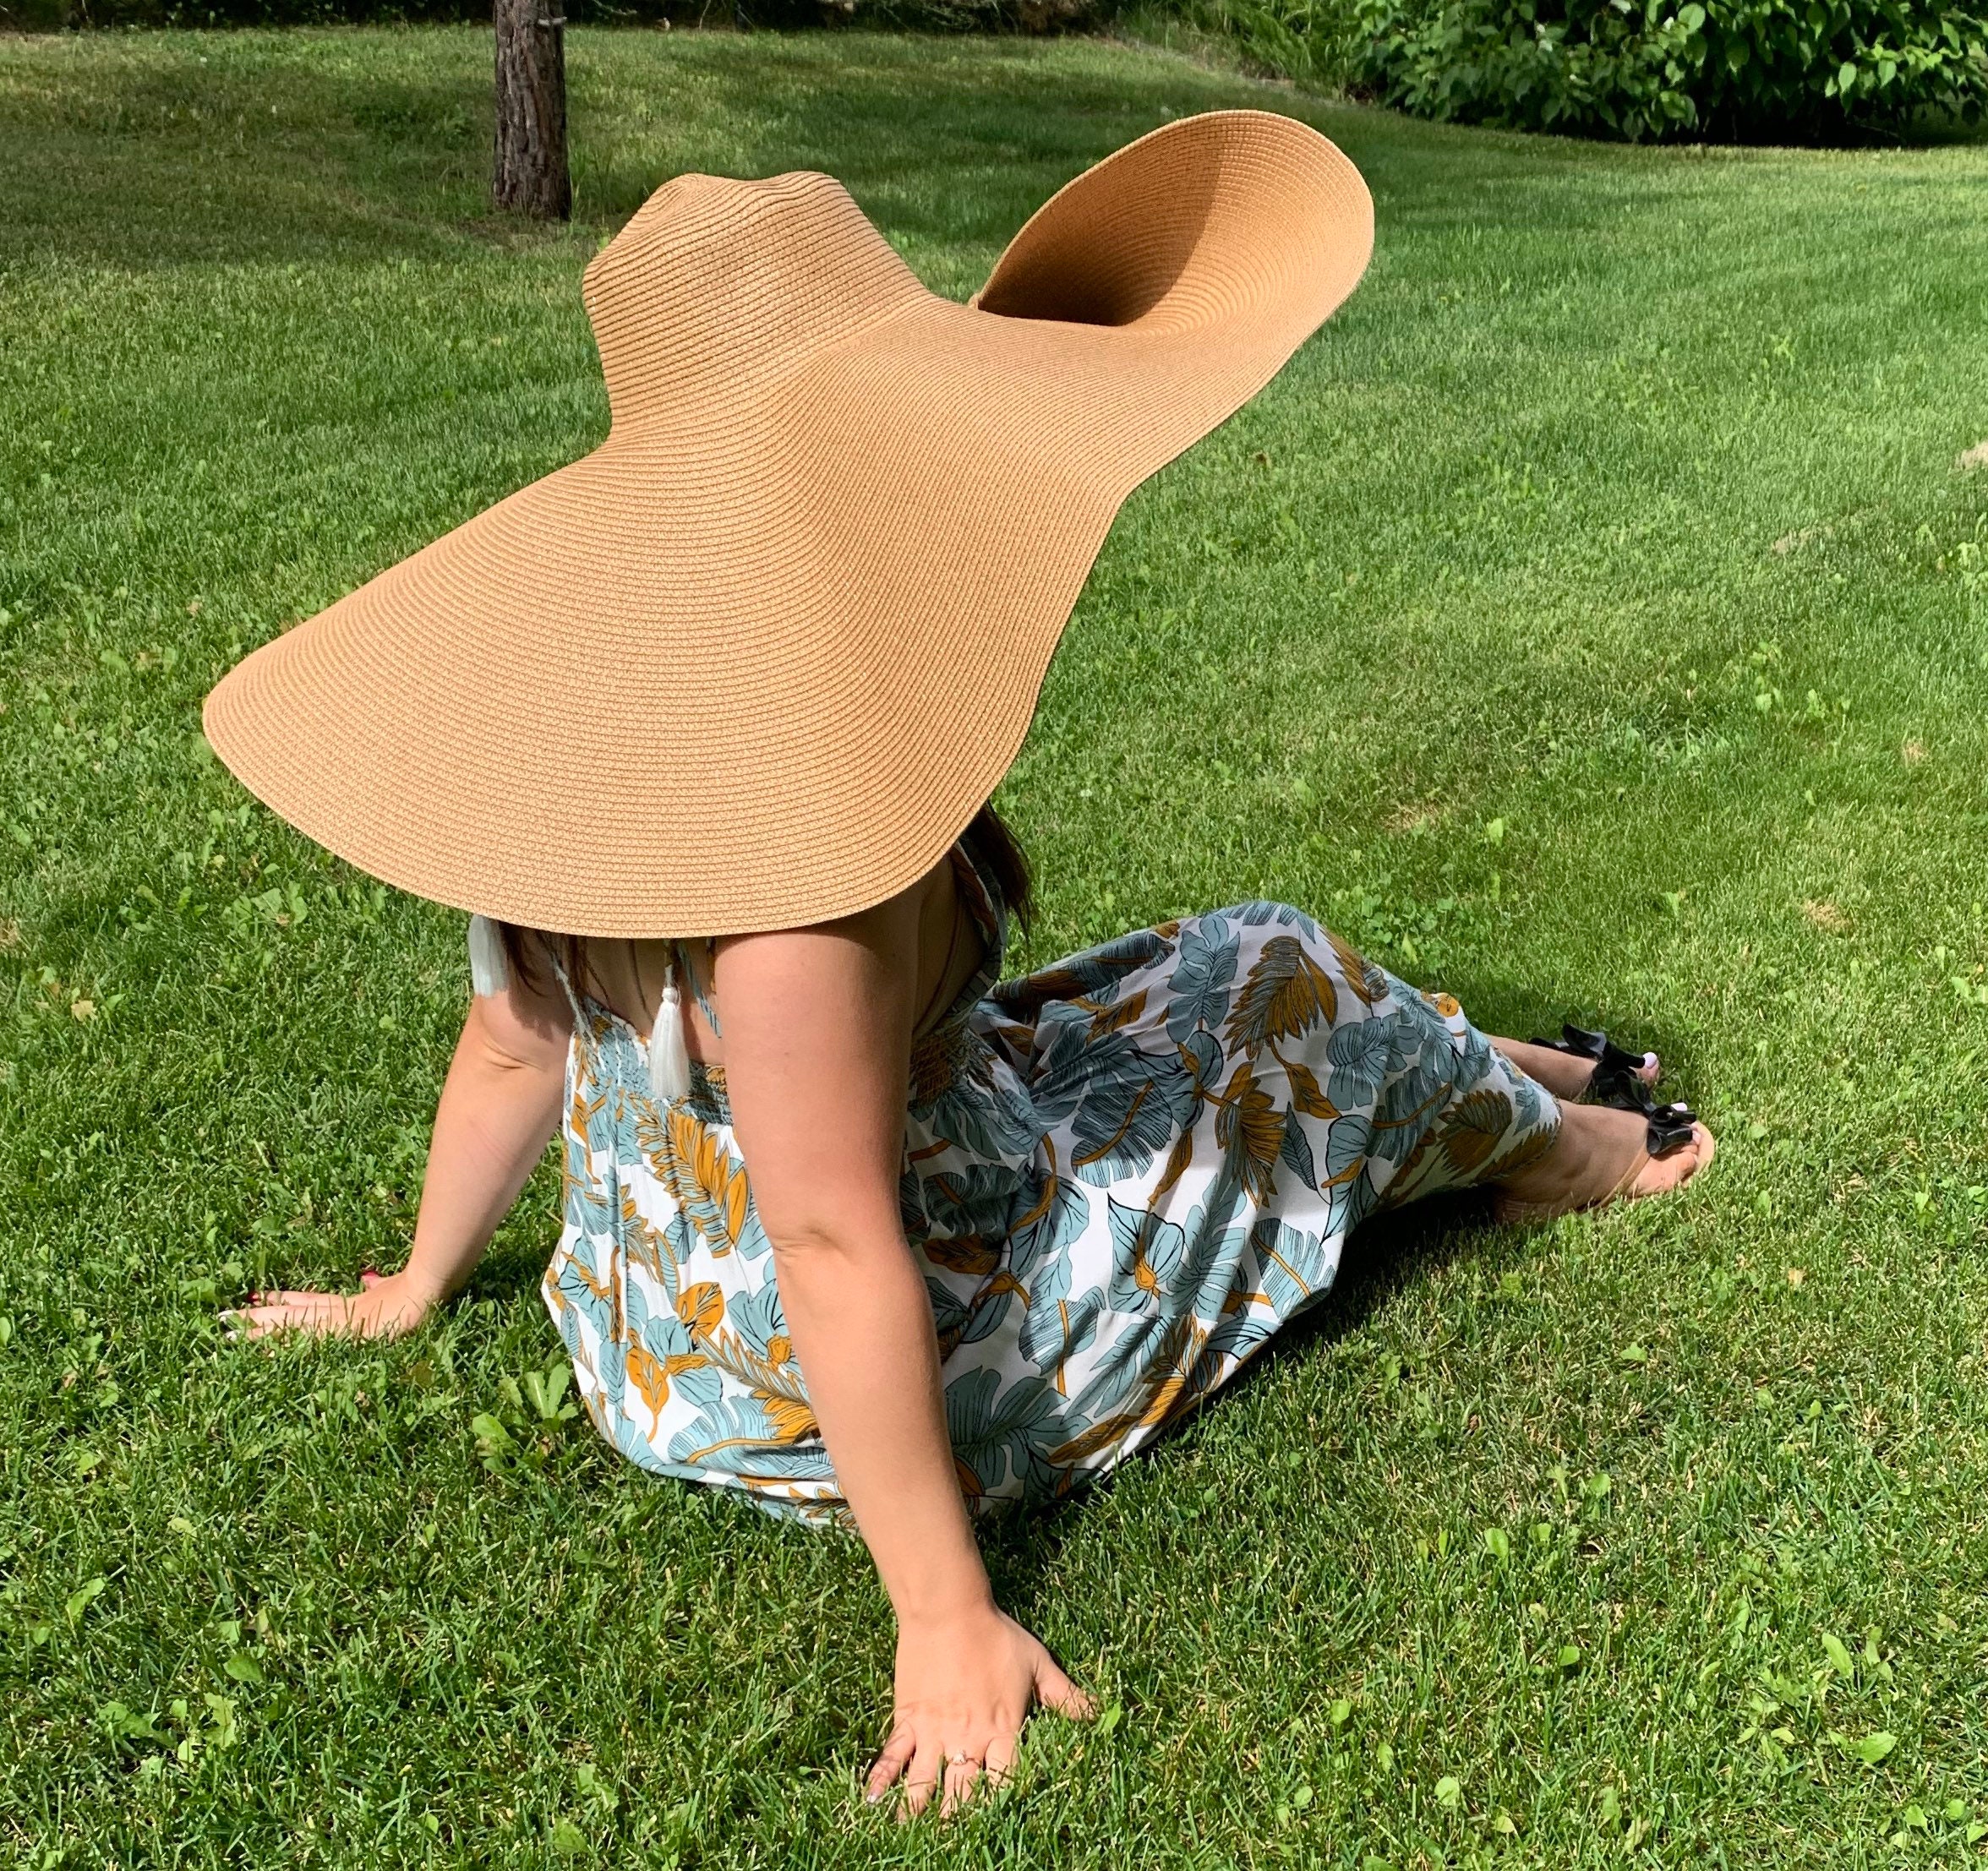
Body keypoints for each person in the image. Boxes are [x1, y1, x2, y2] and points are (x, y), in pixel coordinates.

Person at [202, 112, 1712, 1816]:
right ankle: (1560, 1149)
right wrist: (943, 1616)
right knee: (1277, 972)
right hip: (832, 1368)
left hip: (650, 1335)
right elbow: (839, 1240)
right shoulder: (799, 863)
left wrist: (416, 1286)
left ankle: (1500, 1071)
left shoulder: (582, 788)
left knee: (1178, 978)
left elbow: (506, 1051)